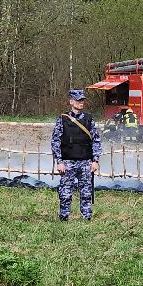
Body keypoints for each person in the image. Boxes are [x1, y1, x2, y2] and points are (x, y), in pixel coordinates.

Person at [51, 89, 102, 221]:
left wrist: (95, 160)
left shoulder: (89, 119)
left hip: (85, 162)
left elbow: (96, 140)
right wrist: (59, 161)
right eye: (78, 100)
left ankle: (86, 218)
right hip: (68, 162)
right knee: (65, 192)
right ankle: (64, 217)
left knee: (86, 192)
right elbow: (56, 141)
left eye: (82, 100)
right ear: (71, 101)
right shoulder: (63, 119)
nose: (81, 102)